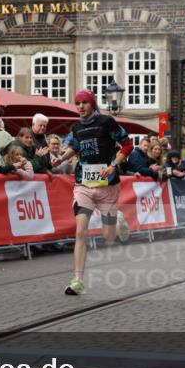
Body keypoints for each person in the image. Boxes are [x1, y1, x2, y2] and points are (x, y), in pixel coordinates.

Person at [51, 88, 134, 296]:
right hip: (84, 184)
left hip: (107, 184)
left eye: (84, 103)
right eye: (77, 103)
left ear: (92, 104)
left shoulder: (107, 122)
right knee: (80, 232)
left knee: (109, 236)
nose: (80, 106)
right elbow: (75, 147)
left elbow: (127, 144)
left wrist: (114, 164)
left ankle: (118, 219)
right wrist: (60, 158)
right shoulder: (77, 126)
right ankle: (78, 280)